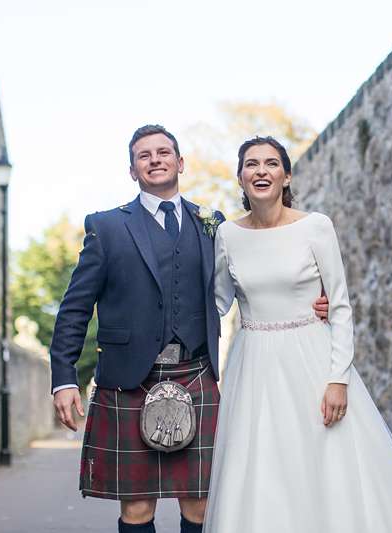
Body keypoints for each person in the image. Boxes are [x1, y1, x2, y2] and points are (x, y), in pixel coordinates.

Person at [48, 125, 330, 533]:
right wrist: (64, 378)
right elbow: (75, 307)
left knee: (201, 506)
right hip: (129, 380)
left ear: (180, 163)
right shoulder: (107, 227)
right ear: (132, 171)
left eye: (164, 152)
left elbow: (246, 282)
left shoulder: (212, 224)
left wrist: (307, 304)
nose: (155, 159)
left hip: (195, 372)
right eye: (144, 155)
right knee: (137, 510)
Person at [203, 136, 392, 532]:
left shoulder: (315, 227)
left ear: (286, 175)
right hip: (254, 370)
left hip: (311, 363)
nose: (261, 171)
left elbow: (341, 306)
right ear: (240, 178)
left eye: (271, 163)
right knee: (262, 472)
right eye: (251, 164)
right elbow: (216, 302)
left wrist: (337, 379)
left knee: (324, 469)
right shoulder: (227, 235)